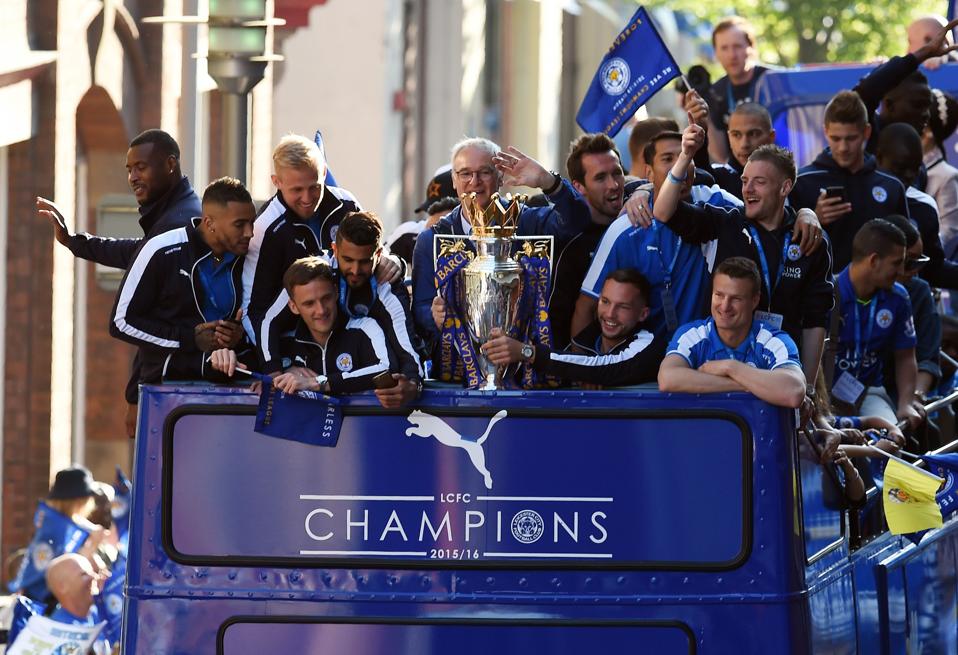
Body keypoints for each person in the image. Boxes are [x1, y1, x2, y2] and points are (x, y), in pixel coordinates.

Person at [37, 128, 202, 438]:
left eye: (141, 167)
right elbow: (140, 253)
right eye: (129, 169)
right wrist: (75, 241)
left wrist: (136, 395)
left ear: (170, 164)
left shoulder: (175, 226)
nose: (133, 177)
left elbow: (131, 322)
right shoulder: (176, 213)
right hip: (173, 386)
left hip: (175, 390)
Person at [651, 122, 832, 389]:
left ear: (784, 188)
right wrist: (685, 156)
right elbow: (663, 212)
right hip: (718, 359)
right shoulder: (727, 223)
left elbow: (816, 320)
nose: (747, 190)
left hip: (778, 362)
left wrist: (810, 388)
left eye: (759, 182)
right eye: (745, 181)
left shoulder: (808, 237)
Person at [411, 137, 591, 352]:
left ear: (500, 176)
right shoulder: (433, 239)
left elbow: (578, 222)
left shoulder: (527, 221)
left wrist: (549, 182)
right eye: (465, 173)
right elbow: (420, 307)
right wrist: (434, 316)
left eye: (484, 172)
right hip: (462, 369)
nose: (474, 181)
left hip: (524, 365)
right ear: (454, 180)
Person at [212, 257, 420, 409]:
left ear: (337, 294)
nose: (320, 310)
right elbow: (241, 368)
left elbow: (386, 368)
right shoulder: (282, 344)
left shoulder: (366, 328)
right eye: (309, 303)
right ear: (293, 307)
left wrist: (318, 382)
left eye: (326, 298)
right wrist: (221, 356)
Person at [109, 177, 255, 389]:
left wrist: (238, 336)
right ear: (209, 223)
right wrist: (189, 338)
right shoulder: (162, 249)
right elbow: (121, 322)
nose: (249, 232)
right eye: (239, 224)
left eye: (252, 222)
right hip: (168, 389)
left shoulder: (249, 257)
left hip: (229, 383)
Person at [257, 210, 423, 387]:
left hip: (366, 364)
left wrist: (411, 385)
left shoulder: (387, 287)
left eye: (364, 261)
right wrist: (273, 374)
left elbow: (409, 355)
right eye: (348, 259)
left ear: (379, 254)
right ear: (334, 250)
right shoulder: (317, 271)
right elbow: (269, 320)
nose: (355, 270)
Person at [242, 134, 362, 354]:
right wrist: (278, 362)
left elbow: (374, 255)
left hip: (350, 336)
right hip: (297, 348)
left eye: (315, 186)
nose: (307, 198)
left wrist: (392, 263)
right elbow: (253, 310)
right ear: (276, 182)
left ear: (324, 173)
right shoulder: (265, 228)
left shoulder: (347, 205)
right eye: (297, 190)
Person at [658, 257, 806, 408]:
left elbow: (793, 392)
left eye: (736, 298)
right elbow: (667, 378)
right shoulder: (693, 334)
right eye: (719, 295)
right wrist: (746, 385)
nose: (725, 306)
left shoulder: (773, 340)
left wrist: (729, 367)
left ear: (754, 300)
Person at [481, 269, 666, 386]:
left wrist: (527, 352)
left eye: (623, 307)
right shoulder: (583, 341)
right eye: (605, 301)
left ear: (643, 313)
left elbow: (605, 368)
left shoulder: (649, 344)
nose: (610, 313)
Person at [790, 90, 909, 270]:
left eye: (851, 138)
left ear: (866, 132)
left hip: (879, 292)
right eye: (835, 138)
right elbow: (787, 251)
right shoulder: (802, 183)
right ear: (825, 131)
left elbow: (904, 247)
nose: (843, 147)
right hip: (822, 292)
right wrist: (815, 219)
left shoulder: (891, 186)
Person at [830, 219, 920, 429]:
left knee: (891, 439)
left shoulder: (899, 297)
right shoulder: (828, 294)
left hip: (869, 391)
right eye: (897, 263)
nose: (901, 272)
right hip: (826, 396)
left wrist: (906, 404)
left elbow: (906, 355)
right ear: (874, 260)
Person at [548, 133, 625, 348]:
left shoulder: (640, 216)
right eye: (600, 178)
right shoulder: (566, 239)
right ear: (579, 187)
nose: (614, 185)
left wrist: (643, 191)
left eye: (617, 173)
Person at [875, 121, 958, 289]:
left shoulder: (924, 207)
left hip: (910, 305)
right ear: (878, 159)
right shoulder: (858, 199)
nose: (908, 175)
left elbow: (933, 269)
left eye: (915, 168)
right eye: (899, 168)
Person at [880, 214, 938, 426]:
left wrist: (914, 396)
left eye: (919, 262)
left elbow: (927, 358)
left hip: (899, 393)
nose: (914, 271)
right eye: (908, 262)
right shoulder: (845, 288)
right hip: (854, 390)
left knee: (914, 430)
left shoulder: (916, 292)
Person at [705, 16, 772, 163]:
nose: (732, 55)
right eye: (724, 48)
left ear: (751, 48)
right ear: (716, 53)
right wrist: (702, 117)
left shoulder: (775, 80)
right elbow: (721, 156)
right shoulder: (715, 93)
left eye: (737, 46)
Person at [710, 103, 776, 200]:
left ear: (771, 137)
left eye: (753, 134)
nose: (744, 144)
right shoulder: (714, 177)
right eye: (736, 135)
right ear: (729, 137)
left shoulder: (790, 180)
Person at [923, 89, 958, 248]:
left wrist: (920, 252)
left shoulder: (946, 175)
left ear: (929, 131)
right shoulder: (903, 165)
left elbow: (950, 230)